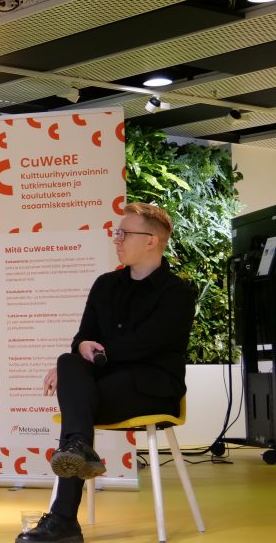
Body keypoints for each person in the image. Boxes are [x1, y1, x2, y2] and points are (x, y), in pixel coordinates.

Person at [17, 202, 195, 543]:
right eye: (117, 233)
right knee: (67, 362)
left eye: (124, 233)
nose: (117, 239)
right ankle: (80, 449)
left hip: (152, 387)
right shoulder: (105, 284)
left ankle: (64, 518)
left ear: (151, 241)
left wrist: (95, 351)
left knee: (77, 404)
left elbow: (145, 347)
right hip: (105, 384)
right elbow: (81, 340)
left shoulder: (178, 293)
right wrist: (82, 347)